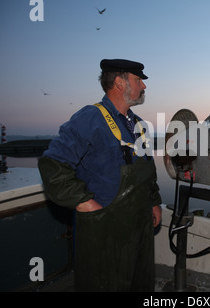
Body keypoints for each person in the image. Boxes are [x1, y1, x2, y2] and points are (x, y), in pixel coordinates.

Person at [38, 59, 162, 291]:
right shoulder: (90, 118)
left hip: (139, 224)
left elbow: (148, 170)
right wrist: (83, 201)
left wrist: (154, 202)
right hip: (104, 228)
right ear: (119, 82)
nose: (144, 86)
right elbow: (53, 164)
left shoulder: (139, 125)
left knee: (140, 281)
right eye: (138, 80)